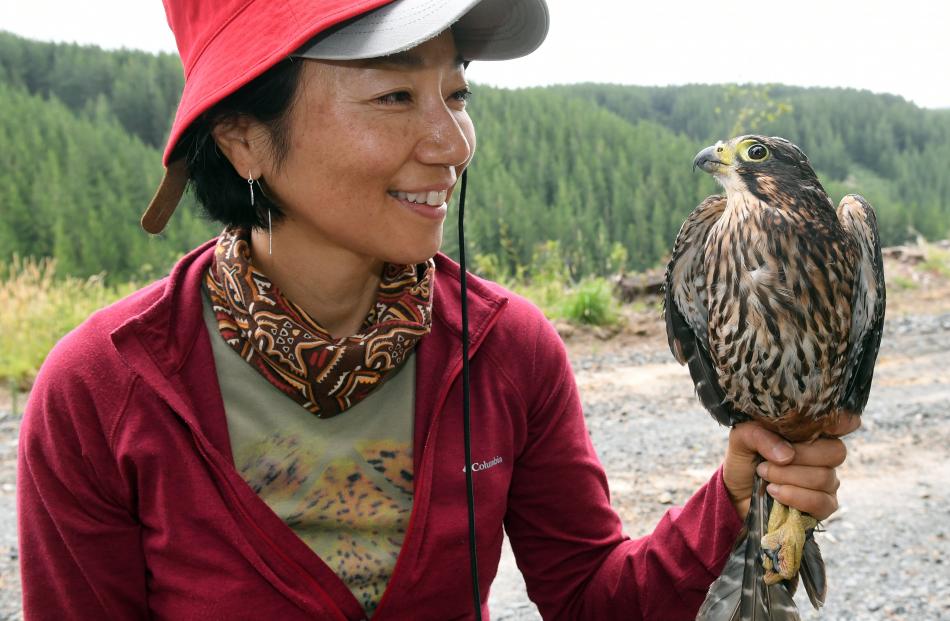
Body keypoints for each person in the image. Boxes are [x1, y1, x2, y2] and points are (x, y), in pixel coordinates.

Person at [16, 1, 856, 619]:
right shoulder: (104, 390)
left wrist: (731, 492)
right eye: (392, 98)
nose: (452, 145)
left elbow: (592, 599)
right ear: (241, 136)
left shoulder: (508, 348)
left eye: (456, 95)